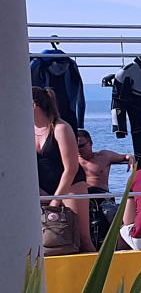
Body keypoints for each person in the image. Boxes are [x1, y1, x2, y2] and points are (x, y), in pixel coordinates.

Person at [33, 86, 96, 252]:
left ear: (34, 105)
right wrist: (39, 190)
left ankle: (99, 267)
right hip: (43, 188)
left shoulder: (60, 128)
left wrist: (56, 198)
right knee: (47, 238)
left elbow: (71, 168)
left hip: (71, 186)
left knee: (82, 237)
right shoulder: (28, 130)